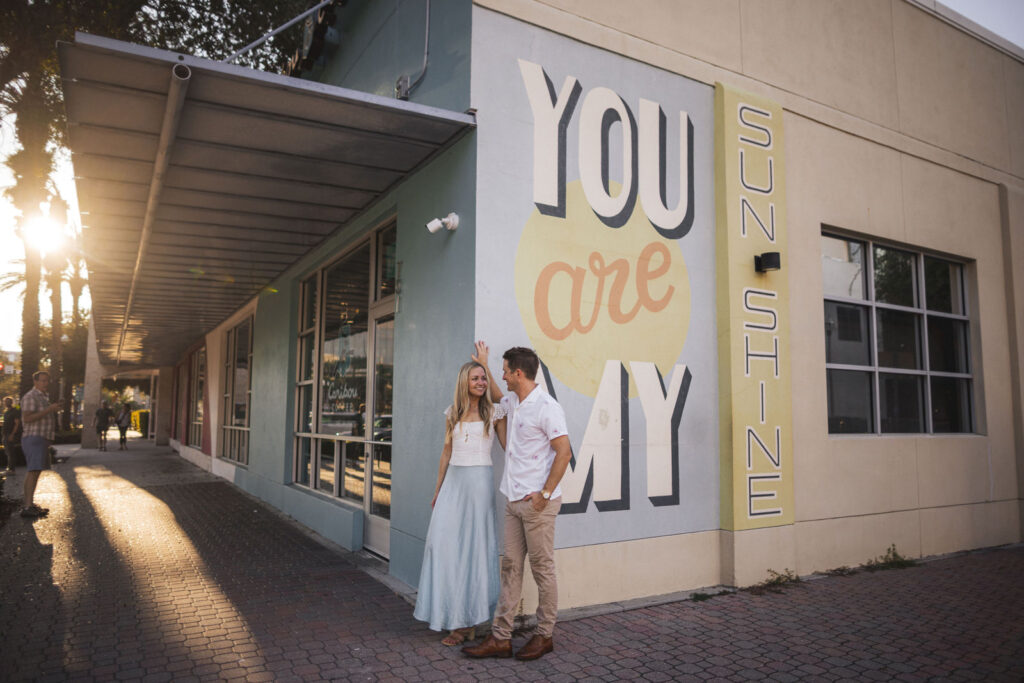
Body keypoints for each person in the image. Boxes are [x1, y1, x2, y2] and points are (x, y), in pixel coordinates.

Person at [463, 347, 572, 662]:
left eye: (506, 371)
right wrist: (482, 363)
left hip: (537, 504)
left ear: (519, 374)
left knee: (542, 570)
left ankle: (544, 635)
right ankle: (500, 638)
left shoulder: (547, 408)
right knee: (510, 567)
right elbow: (498, 396)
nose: (504, 376)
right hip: (513, 499)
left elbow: (564, 452)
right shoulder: (514, 401)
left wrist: (545, 494)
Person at [414, 342, 506, 647]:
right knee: (443, 547)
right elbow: (445, 452)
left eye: (483, 379)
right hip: (453, 483)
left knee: (473, 551)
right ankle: (453, 616)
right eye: (475, 378)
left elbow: (501, 398)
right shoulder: (452, 412)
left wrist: (486, 364)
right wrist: (437, 490)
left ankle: (467, 623)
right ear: (464, 383)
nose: (480, 383)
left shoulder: (493, 411)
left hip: (479, 484)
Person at [20, 371, 62, 518]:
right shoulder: (31, 397)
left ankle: (30, 504)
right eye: (42, 381)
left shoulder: (43, 397)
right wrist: (49, 410)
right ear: (35, 382)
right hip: (34, 438)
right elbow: (27, 418)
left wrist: (52, 409)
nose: (45, 383)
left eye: (47, 381)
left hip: (41, 438)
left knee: (36, 471)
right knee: (33, 471)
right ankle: (27, 506)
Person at [2, 396, 22, 473]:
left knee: (11, 452)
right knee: (8, 452)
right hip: (5, 434)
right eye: (5, 402)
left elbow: (17, 423)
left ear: (11, 402)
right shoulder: (6, 412)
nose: (6, 403)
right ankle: (9, 468)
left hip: (10, 434)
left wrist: (12, 435)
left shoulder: (15, 410)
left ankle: (11, 469)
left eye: (8, 401)